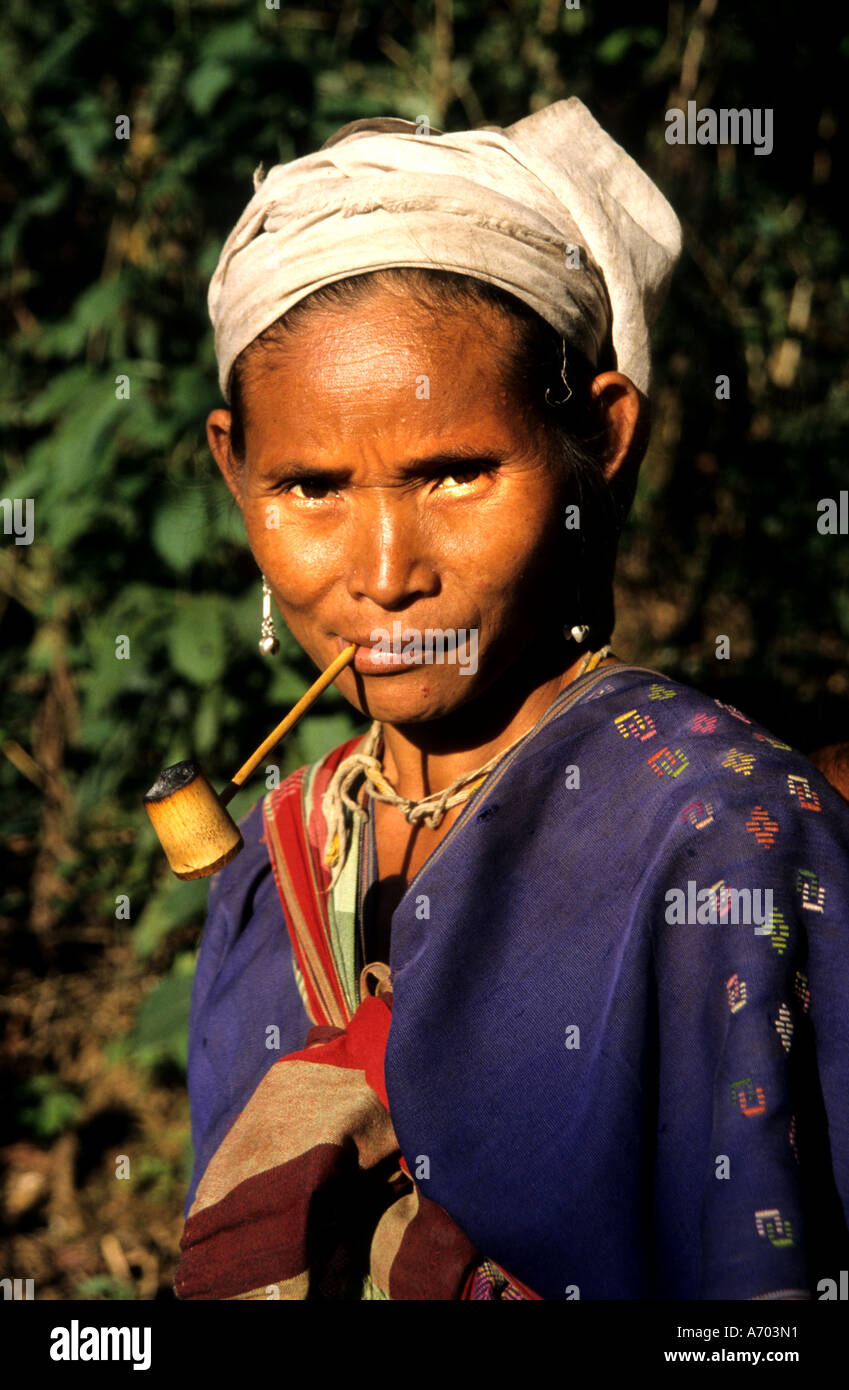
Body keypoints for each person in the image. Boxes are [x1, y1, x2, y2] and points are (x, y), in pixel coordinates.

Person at [173, 99, 849, 1300]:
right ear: (233, 468)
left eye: (454, 472)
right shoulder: (268, 873)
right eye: (310, 488)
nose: (386, 572)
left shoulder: (721, 838)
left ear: (599, 436)